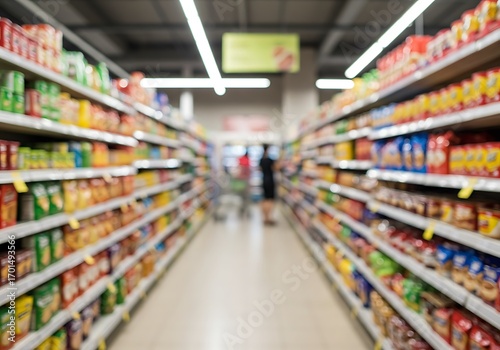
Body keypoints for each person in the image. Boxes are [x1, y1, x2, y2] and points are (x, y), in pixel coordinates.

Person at [259, 144, 276, 225]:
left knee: (265, 198)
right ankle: (269, 218)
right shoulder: (270, 160)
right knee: (270, 199)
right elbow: (275, 168)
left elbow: (260, 169)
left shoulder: (261, 159)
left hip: (264, 180)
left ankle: (265, 218)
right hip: (270, 180)